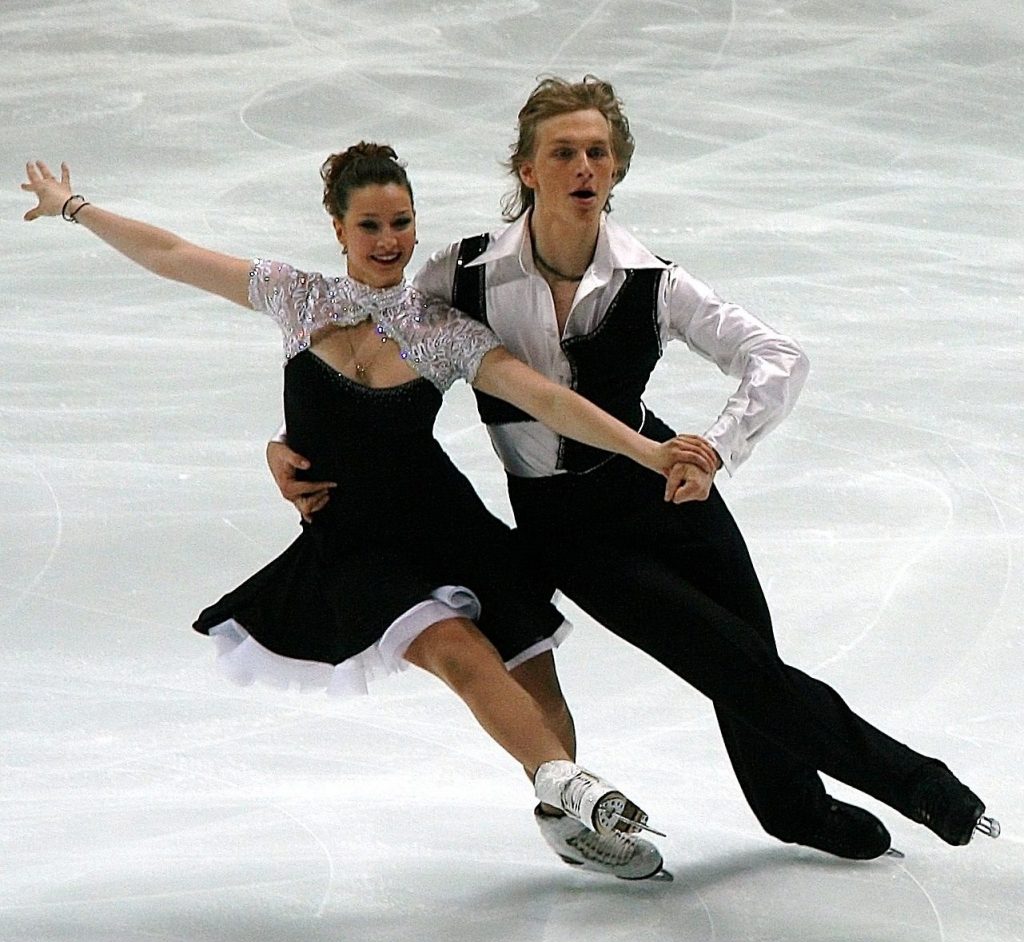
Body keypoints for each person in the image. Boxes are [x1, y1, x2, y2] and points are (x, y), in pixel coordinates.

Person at [268, 78, 1000, 869]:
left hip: (670, 494)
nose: (584, 167)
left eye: (599, 153)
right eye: (564, 153)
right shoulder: (462, 274)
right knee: (732, 663)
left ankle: (794, 808)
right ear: (526, 170)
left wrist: (717, 447)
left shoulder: (653, 281)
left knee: (753, 663)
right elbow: (375, 352)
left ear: (615, 170)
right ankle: (927, 787)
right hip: (571, 531)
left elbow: (778, 357)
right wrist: (290, 443)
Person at [20, 145, 721, 874]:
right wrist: (75, 208)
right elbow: (171, 253)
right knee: (457, 651)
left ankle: (561, 814)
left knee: (532, 677)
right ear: (338, 229)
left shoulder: (442, 329)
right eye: (371, 225)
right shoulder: (295, 298)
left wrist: (651, 453)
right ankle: (568, 784)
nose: (389, 241)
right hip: (357, 544)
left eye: (402, 223)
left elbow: (547, 400)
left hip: (447, 522)